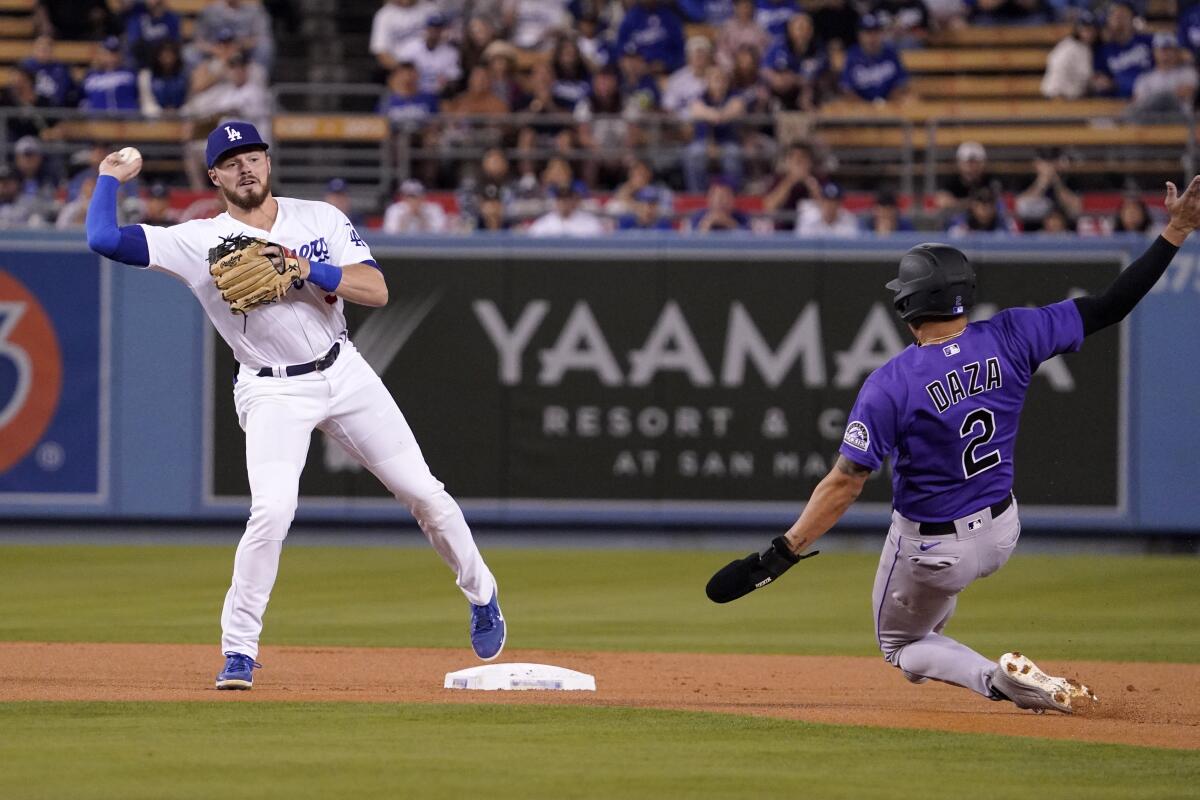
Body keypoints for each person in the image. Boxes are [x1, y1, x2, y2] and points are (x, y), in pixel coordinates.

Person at [705, 174, 1200, 715]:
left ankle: (1000, 680)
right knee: (927, 627)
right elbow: (1111, 305)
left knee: (900, 645)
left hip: (934, 549)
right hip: (1002, 530)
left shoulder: (892, 382)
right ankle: (949, 639)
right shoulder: (1013, 334)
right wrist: (1175, 231)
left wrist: (785, 549)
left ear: (910, 305)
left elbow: (846, 482)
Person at [84, 121, 505, 689]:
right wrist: (109, 179)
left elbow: (376, 290)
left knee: (423, 491)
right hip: (271, 387)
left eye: (253, 156)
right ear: (214, 176)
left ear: (268, 162)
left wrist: (307, 267)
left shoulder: (319, 219)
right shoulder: (198, 240)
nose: (245, 168)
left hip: (343, 370)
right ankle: (238, 651)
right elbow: (104, 240)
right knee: (272, 510)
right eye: (231, 162)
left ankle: (482, 595)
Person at [683, 66, 747, 192]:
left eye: (722, 79)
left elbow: (737, 108)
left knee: (733, 155)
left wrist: (713, 115)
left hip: (727, 141)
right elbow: (696, 109)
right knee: (693, 154)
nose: (719, 82)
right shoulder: (700, 96)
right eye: (715, 78)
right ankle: (697, 196)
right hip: (702, 142)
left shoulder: (735, 95)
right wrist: (717, 115)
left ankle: (732, 194)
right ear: (708, 81)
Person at [763, 12, 829, 111]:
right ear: (790, 29)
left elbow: (820, 75)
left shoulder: (818, 49)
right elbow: (765, 69)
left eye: (807, 28)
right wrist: (777, 78)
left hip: (809, 92)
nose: (803, 32)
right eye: (800, 28)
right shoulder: (778, 46)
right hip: (782, 92)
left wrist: (798, 80)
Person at [839, 14, 910, 104]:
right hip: (860, 111)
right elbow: (847, 89)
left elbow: (901, 83)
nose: (872, 37)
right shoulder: (852, 55)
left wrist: (886, 105)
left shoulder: (891, 53)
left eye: (876, 32)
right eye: (868, 32)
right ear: (859, 35)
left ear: (881, 34)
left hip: (890, 107)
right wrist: (867, 108)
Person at [1126, 33, 1198, 120]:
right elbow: (1138, 102)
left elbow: (1186, 92)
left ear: (1176, 52)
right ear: (1155, 52)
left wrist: (1153, 97)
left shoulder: (1188, 72)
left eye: (1169, 50)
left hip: (1179, 120)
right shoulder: (1145, 78)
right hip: (1150, 121)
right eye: (1161, 50)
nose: (1165, 54)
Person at [1091, 1, 1153, 99]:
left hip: (1150, 98)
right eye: (1115, 16)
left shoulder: (1148, 41)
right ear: (1108, 20)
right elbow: (1099, 79)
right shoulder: (1103, 50)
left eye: (1124, 15)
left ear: (1132, 18)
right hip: (1118, 103)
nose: (1119, 20)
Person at [395, 13, 462, 97]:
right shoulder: (410, 48)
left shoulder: (451, 53)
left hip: (438, 96)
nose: (434, 32)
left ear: (442, 31)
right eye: (431, 28)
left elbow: (454, 80)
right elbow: (398, 74)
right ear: (425, 29)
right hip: (413, 95)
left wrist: (446, 86)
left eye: (437, 29)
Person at [1014, 153, 1081, 230]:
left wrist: (1056, 181)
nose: (1050, 166)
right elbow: (1023, 207)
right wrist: (1043, 180)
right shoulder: (1026, 179)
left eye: (1054, 161)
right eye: (1045, 162)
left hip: (1066, 235)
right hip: (1034, 235)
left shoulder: (1070, 180)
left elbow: (1075, 208)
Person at [1041, 10, 1097, 100]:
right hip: (1059, 96)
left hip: (1066, 96)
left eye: (1092, 29)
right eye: (1085, 29)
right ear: (1078, 29)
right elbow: (1086, 75)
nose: (1089, 33)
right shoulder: (1070, 47)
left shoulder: (1077, 45)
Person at [370, 0, 435, 73]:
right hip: (400, 67)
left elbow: (443, 44)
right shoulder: (384, 15)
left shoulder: (431, 10)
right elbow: (381, 52)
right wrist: (403, 71)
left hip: (432, 66)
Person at [935, 141, 997, 215]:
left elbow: (997, 203)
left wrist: (958, 203)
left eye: (975, 162)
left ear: (983, 163)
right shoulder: (950, 181)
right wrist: (973, 204)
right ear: (959, 163)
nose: (971, 167)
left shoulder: (991, 181)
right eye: (967, 162)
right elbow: (942, 202)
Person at [527, 179, 606, 236]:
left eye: (568, 198)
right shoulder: (544, 223)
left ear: (575, 200)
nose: (564, 202)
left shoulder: (590, 223)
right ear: (556, 201)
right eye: (560, 198)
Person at [81, 37, 139, 112]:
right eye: (107, 53)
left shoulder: (130, 73)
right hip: (98, 120)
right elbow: (83, 98)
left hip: (127, 120)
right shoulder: (91, 76)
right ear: (101, 54)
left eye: (114, 53)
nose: (111, 57)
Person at [663, 35, 715, 116]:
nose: (699, 56)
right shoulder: (677, 79)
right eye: (695, 53)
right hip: (681, 123)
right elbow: (669, 107)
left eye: (703, 53)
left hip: (711, 122)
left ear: (709, 56)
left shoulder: (717, 75)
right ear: (688, 56)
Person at [19, 35, 75, 108]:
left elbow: (62, 96)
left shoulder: (61, 70)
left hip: (52, 109)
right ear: (34, 49)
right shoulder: (25, 67)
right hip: (28, 108)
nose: (43, 52)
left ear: (52, 50)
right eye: (40, 48)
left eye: (46, 49)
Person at [138, 40, 188, 118]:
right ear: (158, 56)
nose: (167, 59)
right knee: (147, 110)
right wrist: (161, 112)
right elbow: (147, 102)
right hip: (156, 116)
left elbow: (189, 99)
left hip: (180, 114)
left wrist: (177, 111)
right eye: (164, 55)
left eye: (170, 55)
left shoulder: (185, 75)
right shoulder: (146, 75)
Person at [383, 179, 449, 233]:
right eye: (409, 196)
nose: (413, 200)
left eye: (416, 196)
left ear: (423, 197)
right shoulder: (394, 210)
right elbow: (389, 233)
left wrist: (422, 217)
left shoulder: (434, 209)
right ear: (403, 197)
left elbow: (441, 233)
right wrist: (407, 217)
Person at [717, 0, 770, 68]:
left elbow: (765, 52)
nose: (745, 10)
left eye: (747, 7)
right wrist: (732, 67)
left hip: (754, 69)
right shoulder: (727, 28)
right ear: (735, 8)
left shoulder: (760, 29)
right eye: (742, 7)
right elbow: (721, 52)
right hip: (731, 69)